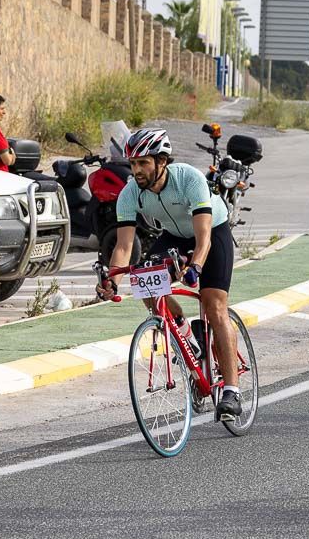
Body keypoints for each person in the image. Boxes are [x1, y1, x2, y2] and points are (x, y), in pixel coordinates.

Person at [96, 128, 242, 423]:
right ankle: (190, 338)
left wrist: (196, 267)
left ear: (161, 161)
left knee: (213, 303)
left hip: (212, 232)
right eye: (133, 164)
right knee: (146, 284)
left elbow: (203, 240)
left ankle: (231, 391)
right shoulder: (129, 193)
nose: (136, 170)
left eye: (143, 163)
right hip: (175, 235)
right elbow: (124, 247)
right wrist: (112, 280)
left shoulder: (188, 178)